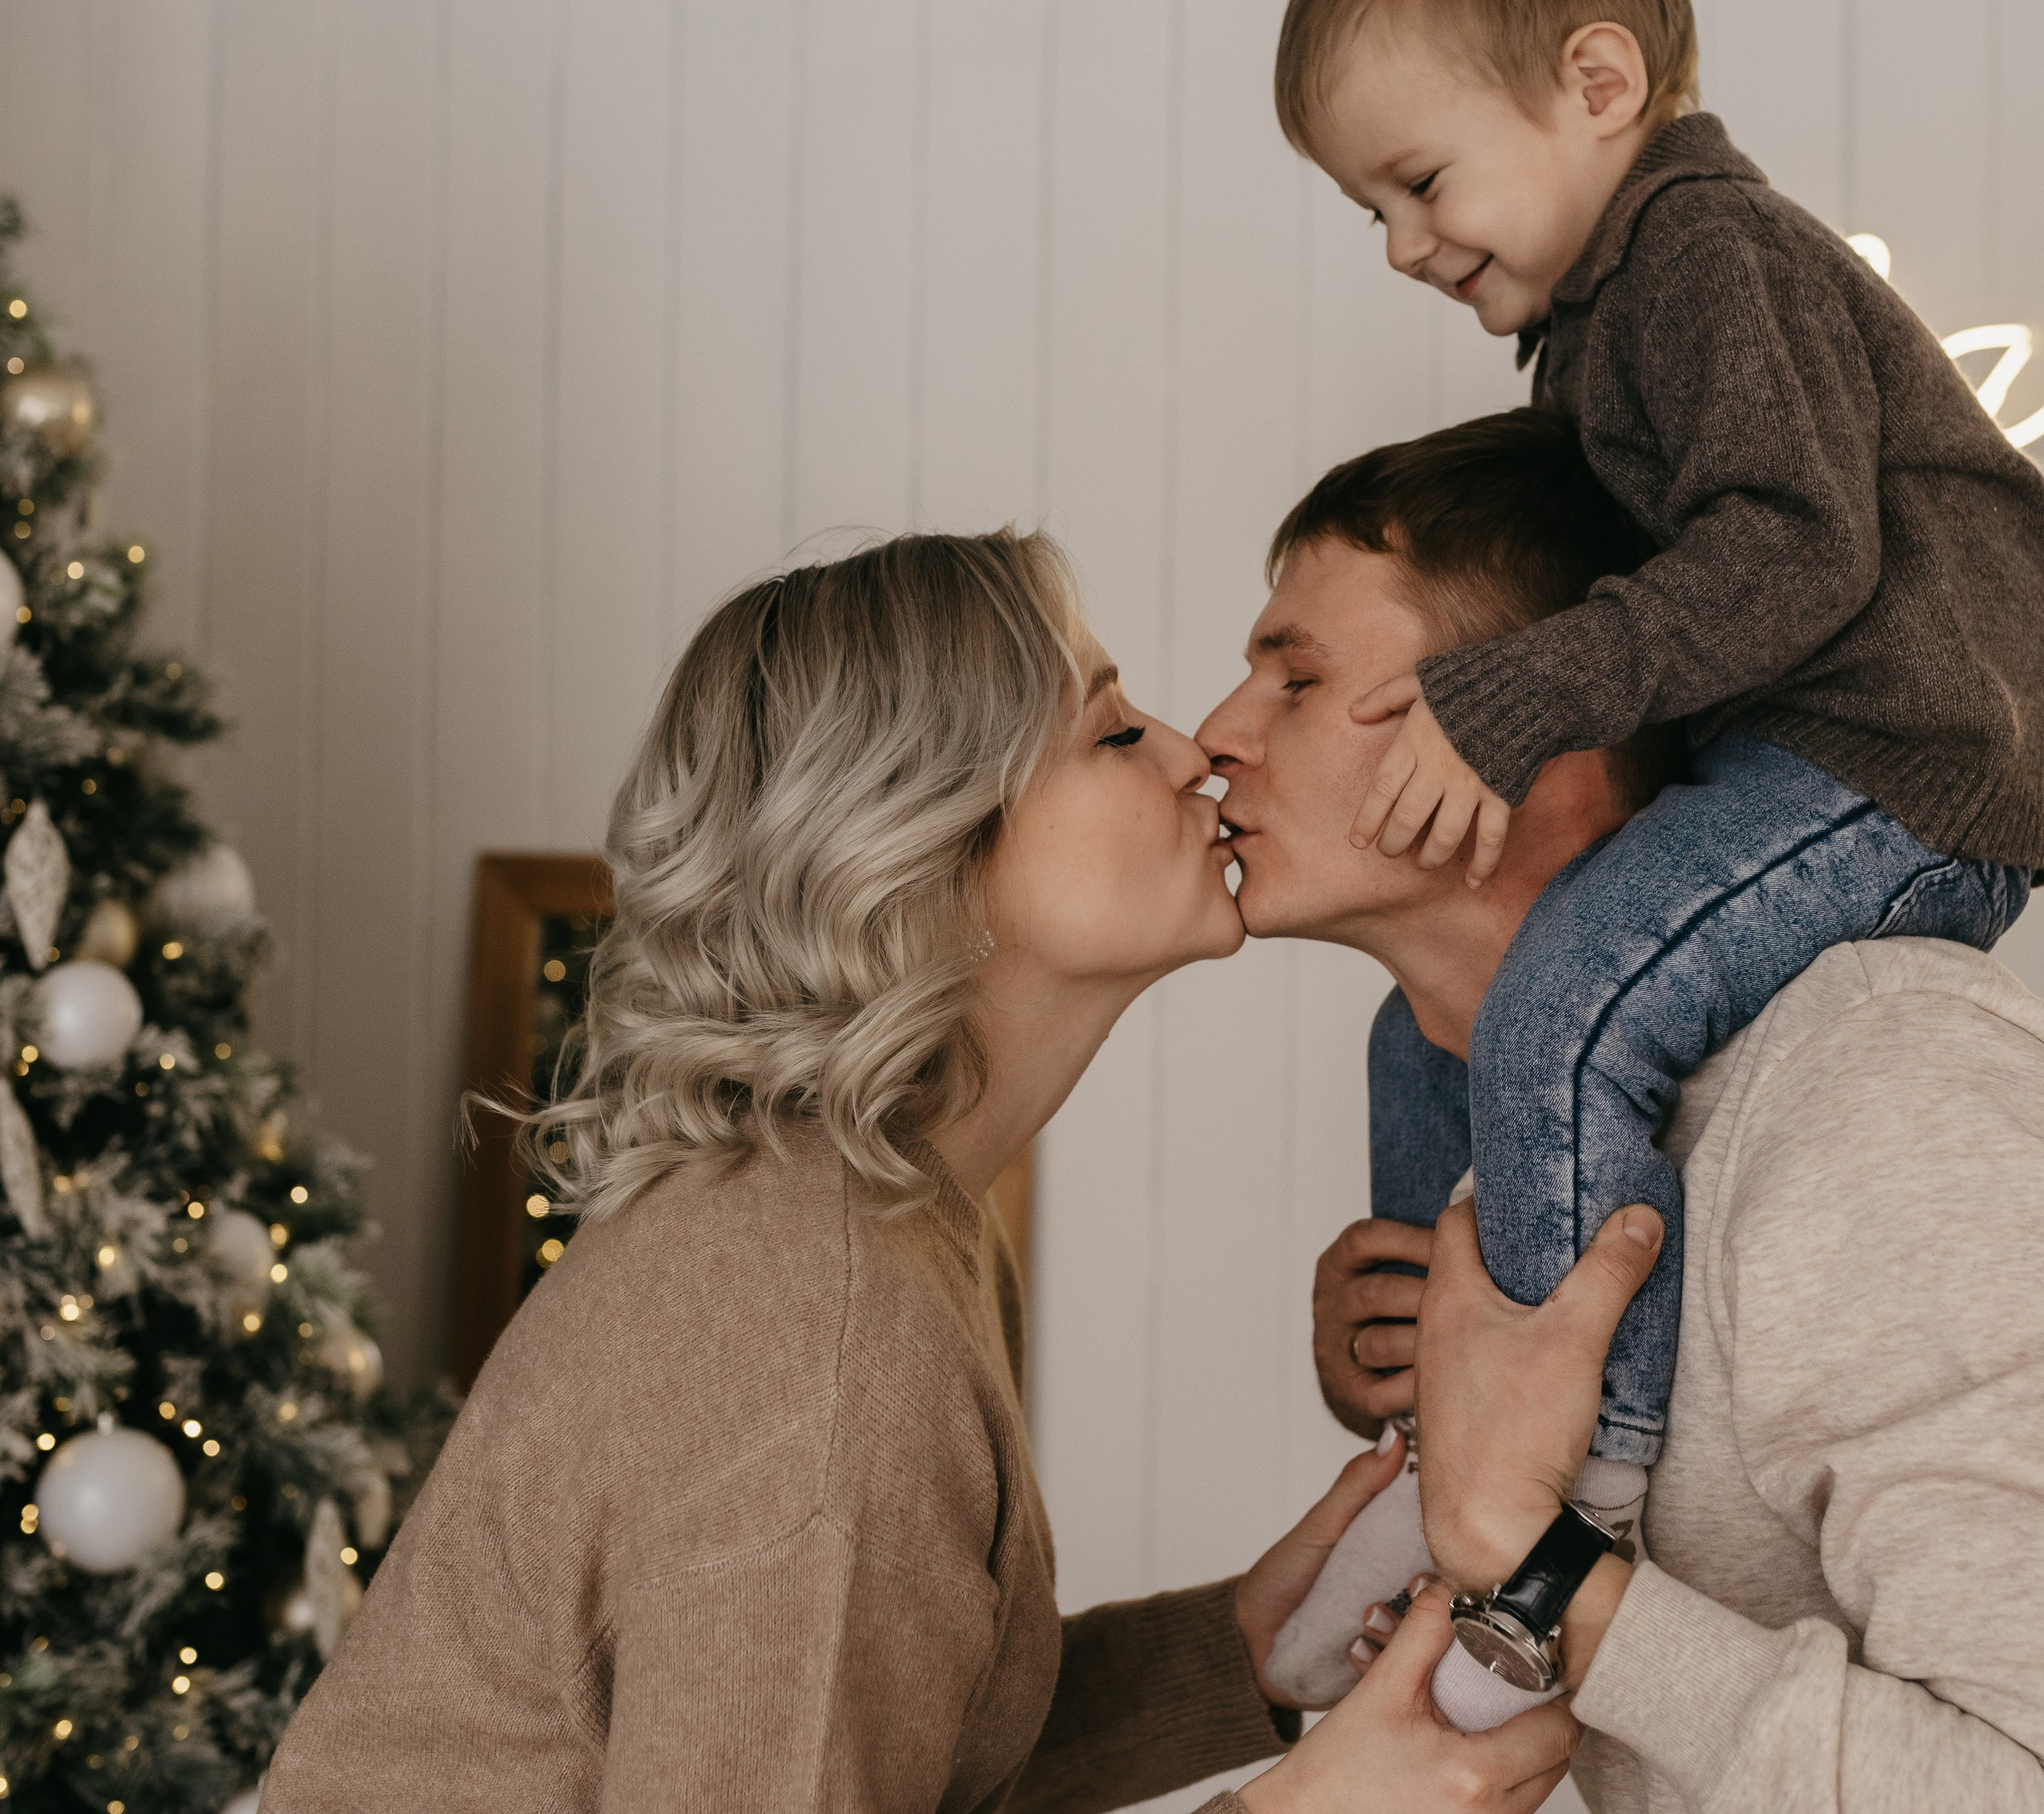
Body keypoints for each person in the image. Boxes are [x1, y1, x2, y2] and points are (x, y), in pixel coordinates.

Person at [263, 529, 1581, 1814]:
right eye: (1112, 734)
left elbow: (881, 1748)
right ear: (924, 850)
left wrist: (1230, 1646)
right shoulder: (820, 1338)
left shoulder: (868, 1217)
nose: (1193, 752)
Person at [1265, 0, 2044, 1658]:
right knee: (1425, 1037)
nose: (1400, 246)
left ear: (1595, 83)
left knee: (1562, 998)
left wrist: (1512, 693)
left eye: (1418, 182)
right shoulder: (1596, 317)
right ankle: (1432, 1429)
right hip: (1799, 749)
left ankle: (1566, 1472)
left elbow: (1793, 548)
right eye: (1370, 210)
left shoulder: (1705, 254)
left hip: (1901, 756)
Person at [1198, 419, 2044, 1808]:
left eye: (1298, 681)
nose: (1216, 736)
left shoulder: (1880, 1092)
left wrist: (1536, 1564)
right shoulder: (1482, 1111)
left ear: (1540, 743)